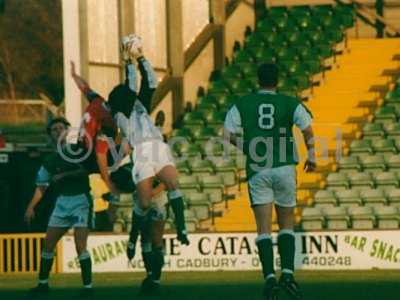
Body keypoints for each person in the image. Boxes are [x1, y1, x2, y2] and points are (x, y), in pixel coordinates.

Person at [224, 63, 316, 300]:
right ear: (277, 81)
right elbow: (307, 128)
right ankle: (288, 274)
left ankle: (269, 280)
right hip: (285, 166)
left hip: (258, 169)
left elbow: (226, 134)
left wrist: (247, 148)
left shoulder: (243, 103)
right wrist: (312, 156)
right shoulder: (289, 102)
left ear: (258, 80)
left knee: (263, 228)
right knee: (286, 222)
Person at [107, 34, 189, 293]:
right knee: (143, 212)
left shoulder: (139, 106)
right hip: (143, 154)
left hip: (157, 150)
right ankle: (133, 242)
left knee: (157, 230)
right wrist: (127, 61)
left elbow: (150, 81)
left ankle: (159, 269)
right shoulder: (120, 113)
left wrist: (138, 57)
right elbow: (130, 88)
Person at [25, 117, 94, 297]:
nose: (57, 132)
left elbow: (86, 170)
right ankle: (43, 284)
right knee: (48, 244)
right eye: (53, 130)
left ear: (66, 131)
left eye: (60, 128)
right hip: (62, 203)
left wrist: (64, 176)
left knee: (80, 246)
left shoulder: (76, 150)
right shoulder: (50, 159)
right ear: (50, 135)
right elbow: (41, 185)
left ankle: (88, 288)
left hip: (80, 201)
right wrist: (31, 207)